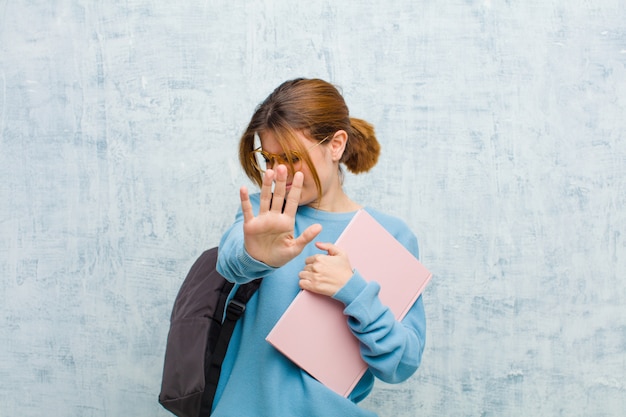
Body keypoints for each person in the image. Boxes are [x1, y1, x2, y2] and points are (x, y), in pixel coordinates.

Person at [214, 78, 426, 416]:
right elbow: (230, 262)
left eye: (293, 157)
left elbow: (401, 364)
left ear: (336, 145)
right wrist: (256, 254)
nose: (280, 173)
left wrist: (354, 292)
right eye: (269, 159)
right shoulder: (266, 214)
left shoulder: (391, 236)